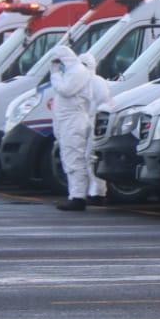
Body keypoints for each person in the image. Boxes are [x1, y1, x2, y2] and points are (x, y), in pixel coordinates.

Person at [50, 45, 92, 211]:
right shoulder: (70, 72)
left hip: (74, 120)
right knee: (69, 158)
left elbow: (65, 90)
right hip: (67, 121)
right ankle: (74, 194)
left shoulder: (77, 71)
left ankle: (78, 197)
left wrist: (55, 74)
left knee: (74, 158)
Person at [80, 51, 112, 206]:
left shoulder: (94, 82)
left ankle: (97, 192)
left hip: (92, 122)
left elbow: (100, 101)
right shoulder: (95, 81)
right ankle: (92, 191)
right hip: (88, 122)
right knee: (87, 158)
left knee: (90, 158)